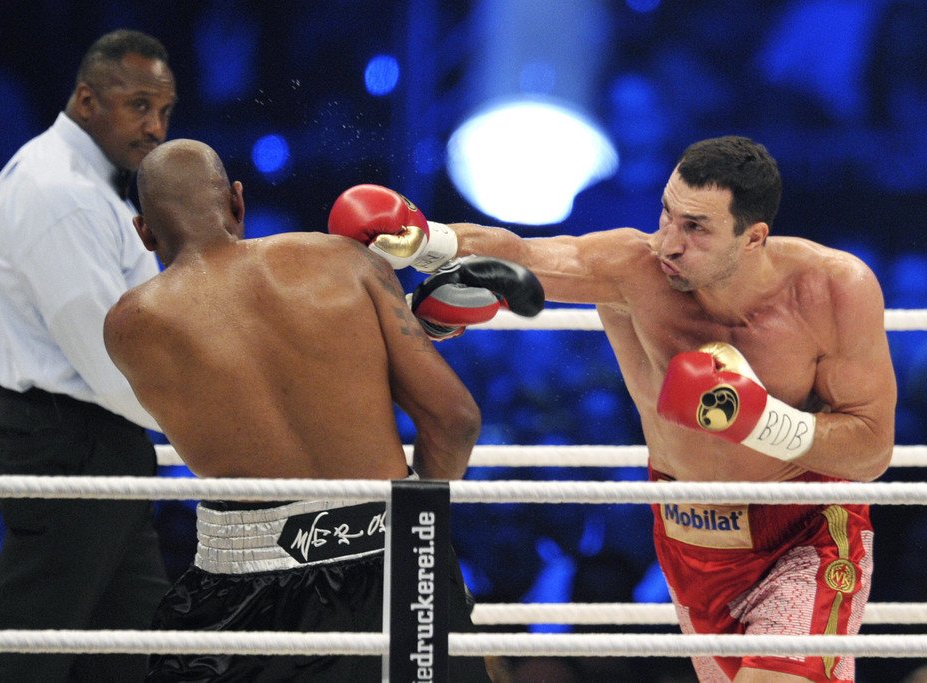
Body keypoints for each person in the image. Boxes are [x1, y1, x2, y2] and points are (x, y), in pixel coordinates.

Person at [330, 136, 897, 683]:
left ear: (753, 238)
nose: (668, 242)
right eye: (667, 213)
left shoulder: (831, 290)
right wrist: (427, 241)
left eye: (696, 228)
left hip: (804, 534)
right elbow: (521, 256)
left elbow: (870, 450)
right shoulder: (634, 270)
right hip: (688, 537)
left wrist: (758, 420)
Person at [104, 139, 542, 681]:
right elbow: (456, 420)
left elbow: (231, 379)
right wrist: (416, 528)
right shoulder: (343, 260)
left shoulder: (130, 324)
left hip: (244, 589)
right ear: (237, 201)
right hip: (395, 559)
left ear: (144, 232)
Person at [0, 29, 177, 682]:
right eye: (139, 105)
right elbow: (111, 357)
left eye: (164, 110)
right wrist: (206, 427)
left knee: (130, 653)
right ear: (87, 101)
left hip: (88, 439)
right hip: (71, 439)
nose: (155, 127)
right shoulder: (60, 193)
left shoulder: (82, 186)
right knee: (28, 653)